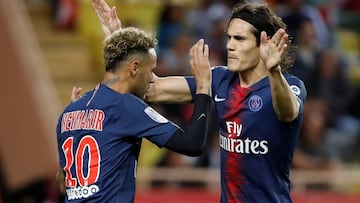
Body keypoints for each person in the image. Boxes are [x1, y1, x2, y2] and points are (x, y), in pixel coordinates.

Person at [88, 0, 307, 202]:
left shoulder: (290, 85)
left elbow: (287, 111)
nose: (230, 46)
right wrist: (118, 37)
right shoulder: (221, 79)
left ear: (264, 43)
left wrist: (274, 71)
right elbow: (153, 89)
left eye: (239, 39)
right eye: (228, 37)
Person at [56, 26, 212, 202]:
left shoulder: (69, 111)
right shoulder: (126, 106)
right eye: (150, 70)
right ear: (135, 68)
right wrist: (203, 88)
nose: (152, 79)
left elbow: (63, 184)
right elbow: (192, 144)